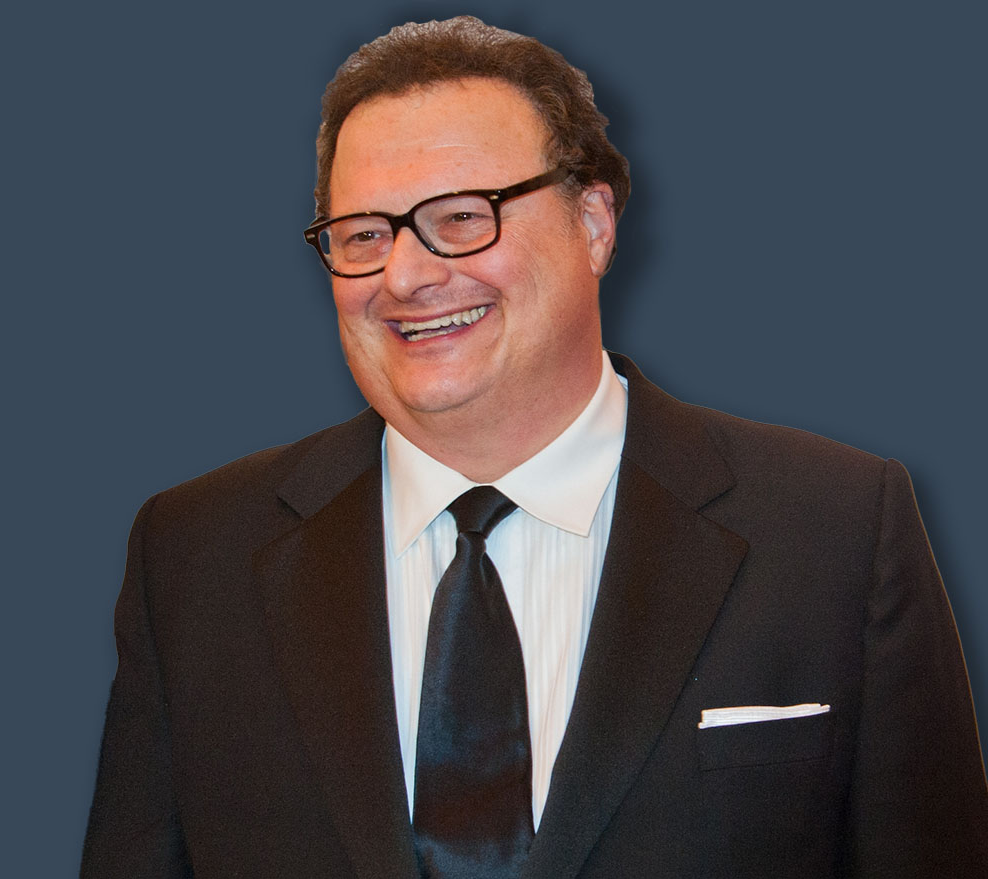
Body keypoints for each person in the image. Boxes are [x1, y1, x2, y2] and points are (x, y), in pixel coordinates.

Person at [81, 16, 988, 878]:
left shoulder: (834, 528)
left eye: (464, 216)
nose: (405, 273)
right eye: (364, 235)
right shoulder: (195, 555)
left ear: (594, 223)